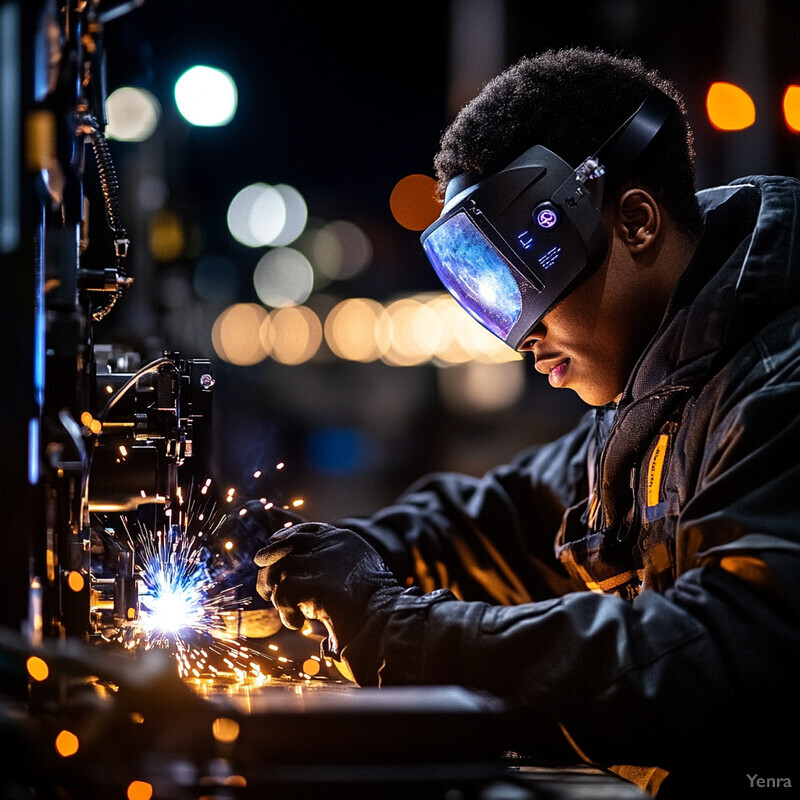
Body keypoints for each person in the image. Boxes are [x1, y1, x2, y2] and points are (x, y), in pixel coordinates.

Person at [238, 48, 800, 796]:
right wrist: (340, 559)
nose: (518, 335)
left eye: (532, 284)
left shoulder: (775, 385)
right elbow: (500, 519)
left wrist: (394, 628)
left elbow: (718, 659)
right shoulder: (655, 391)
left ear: (634, 222)